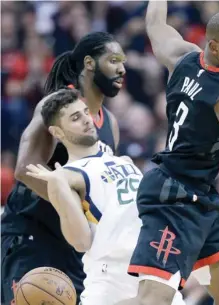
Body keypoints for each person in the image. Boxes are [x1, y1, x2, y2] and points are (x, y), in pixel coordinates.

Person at [116, 2, 219, 305]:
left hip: (199, 199)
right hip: (174, 198)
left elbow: (155, 24)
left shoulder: (183, 57)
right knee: (153, 299)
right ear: (216, 46)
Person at [25, 88, 185, 305]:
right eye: (75, 118)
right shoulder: (67, 176)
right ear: (57, 132)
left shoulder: (125, 161)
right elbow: (81, 241)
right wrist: (58, 185)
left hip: (154, 265)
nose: (86, 120)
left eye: (84, 112)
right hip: (113, 277)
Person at [1, 32, 126, 305]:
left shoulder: (111, 124)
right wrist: (74, 207)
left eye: (123, 61)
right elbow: (24, 168)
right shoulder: (57, 105)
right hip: (33, 234)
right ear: (90, 64)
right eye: (114, 60)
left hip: (73, 244)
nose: (122, 68)